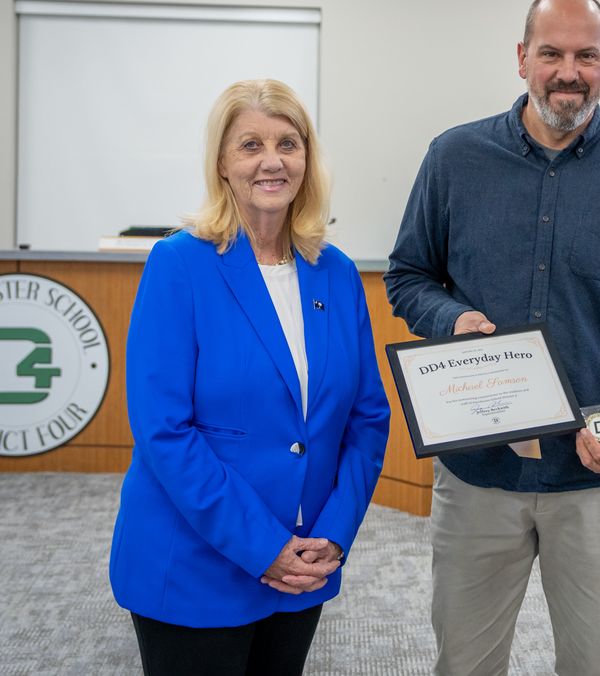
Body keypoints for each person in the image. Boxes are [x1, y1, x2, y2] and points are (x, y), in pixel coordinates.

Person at [385, 0, 600, 676]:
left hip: (598, 479)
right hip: (479, 473)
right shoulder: (453, 158)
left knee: (595, 663)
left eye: (586, 55)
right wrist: (451, 319)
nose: (568, 70)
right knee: (465, 661)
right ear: (522, 58)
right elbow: (407, 276)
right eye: (551, 53)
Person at [109, 79, 391, 676]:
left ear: (307, 159)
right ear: (222, 163)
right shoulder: (179, 264)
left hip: (304, 561)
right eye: (250, 145)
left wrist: (335, 534)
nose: (272, 160)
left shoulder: (336, 272)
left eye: (288, 142)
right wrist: (263, 548)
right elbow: (164, 430)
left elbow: (367, 417)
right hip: (193, 564)